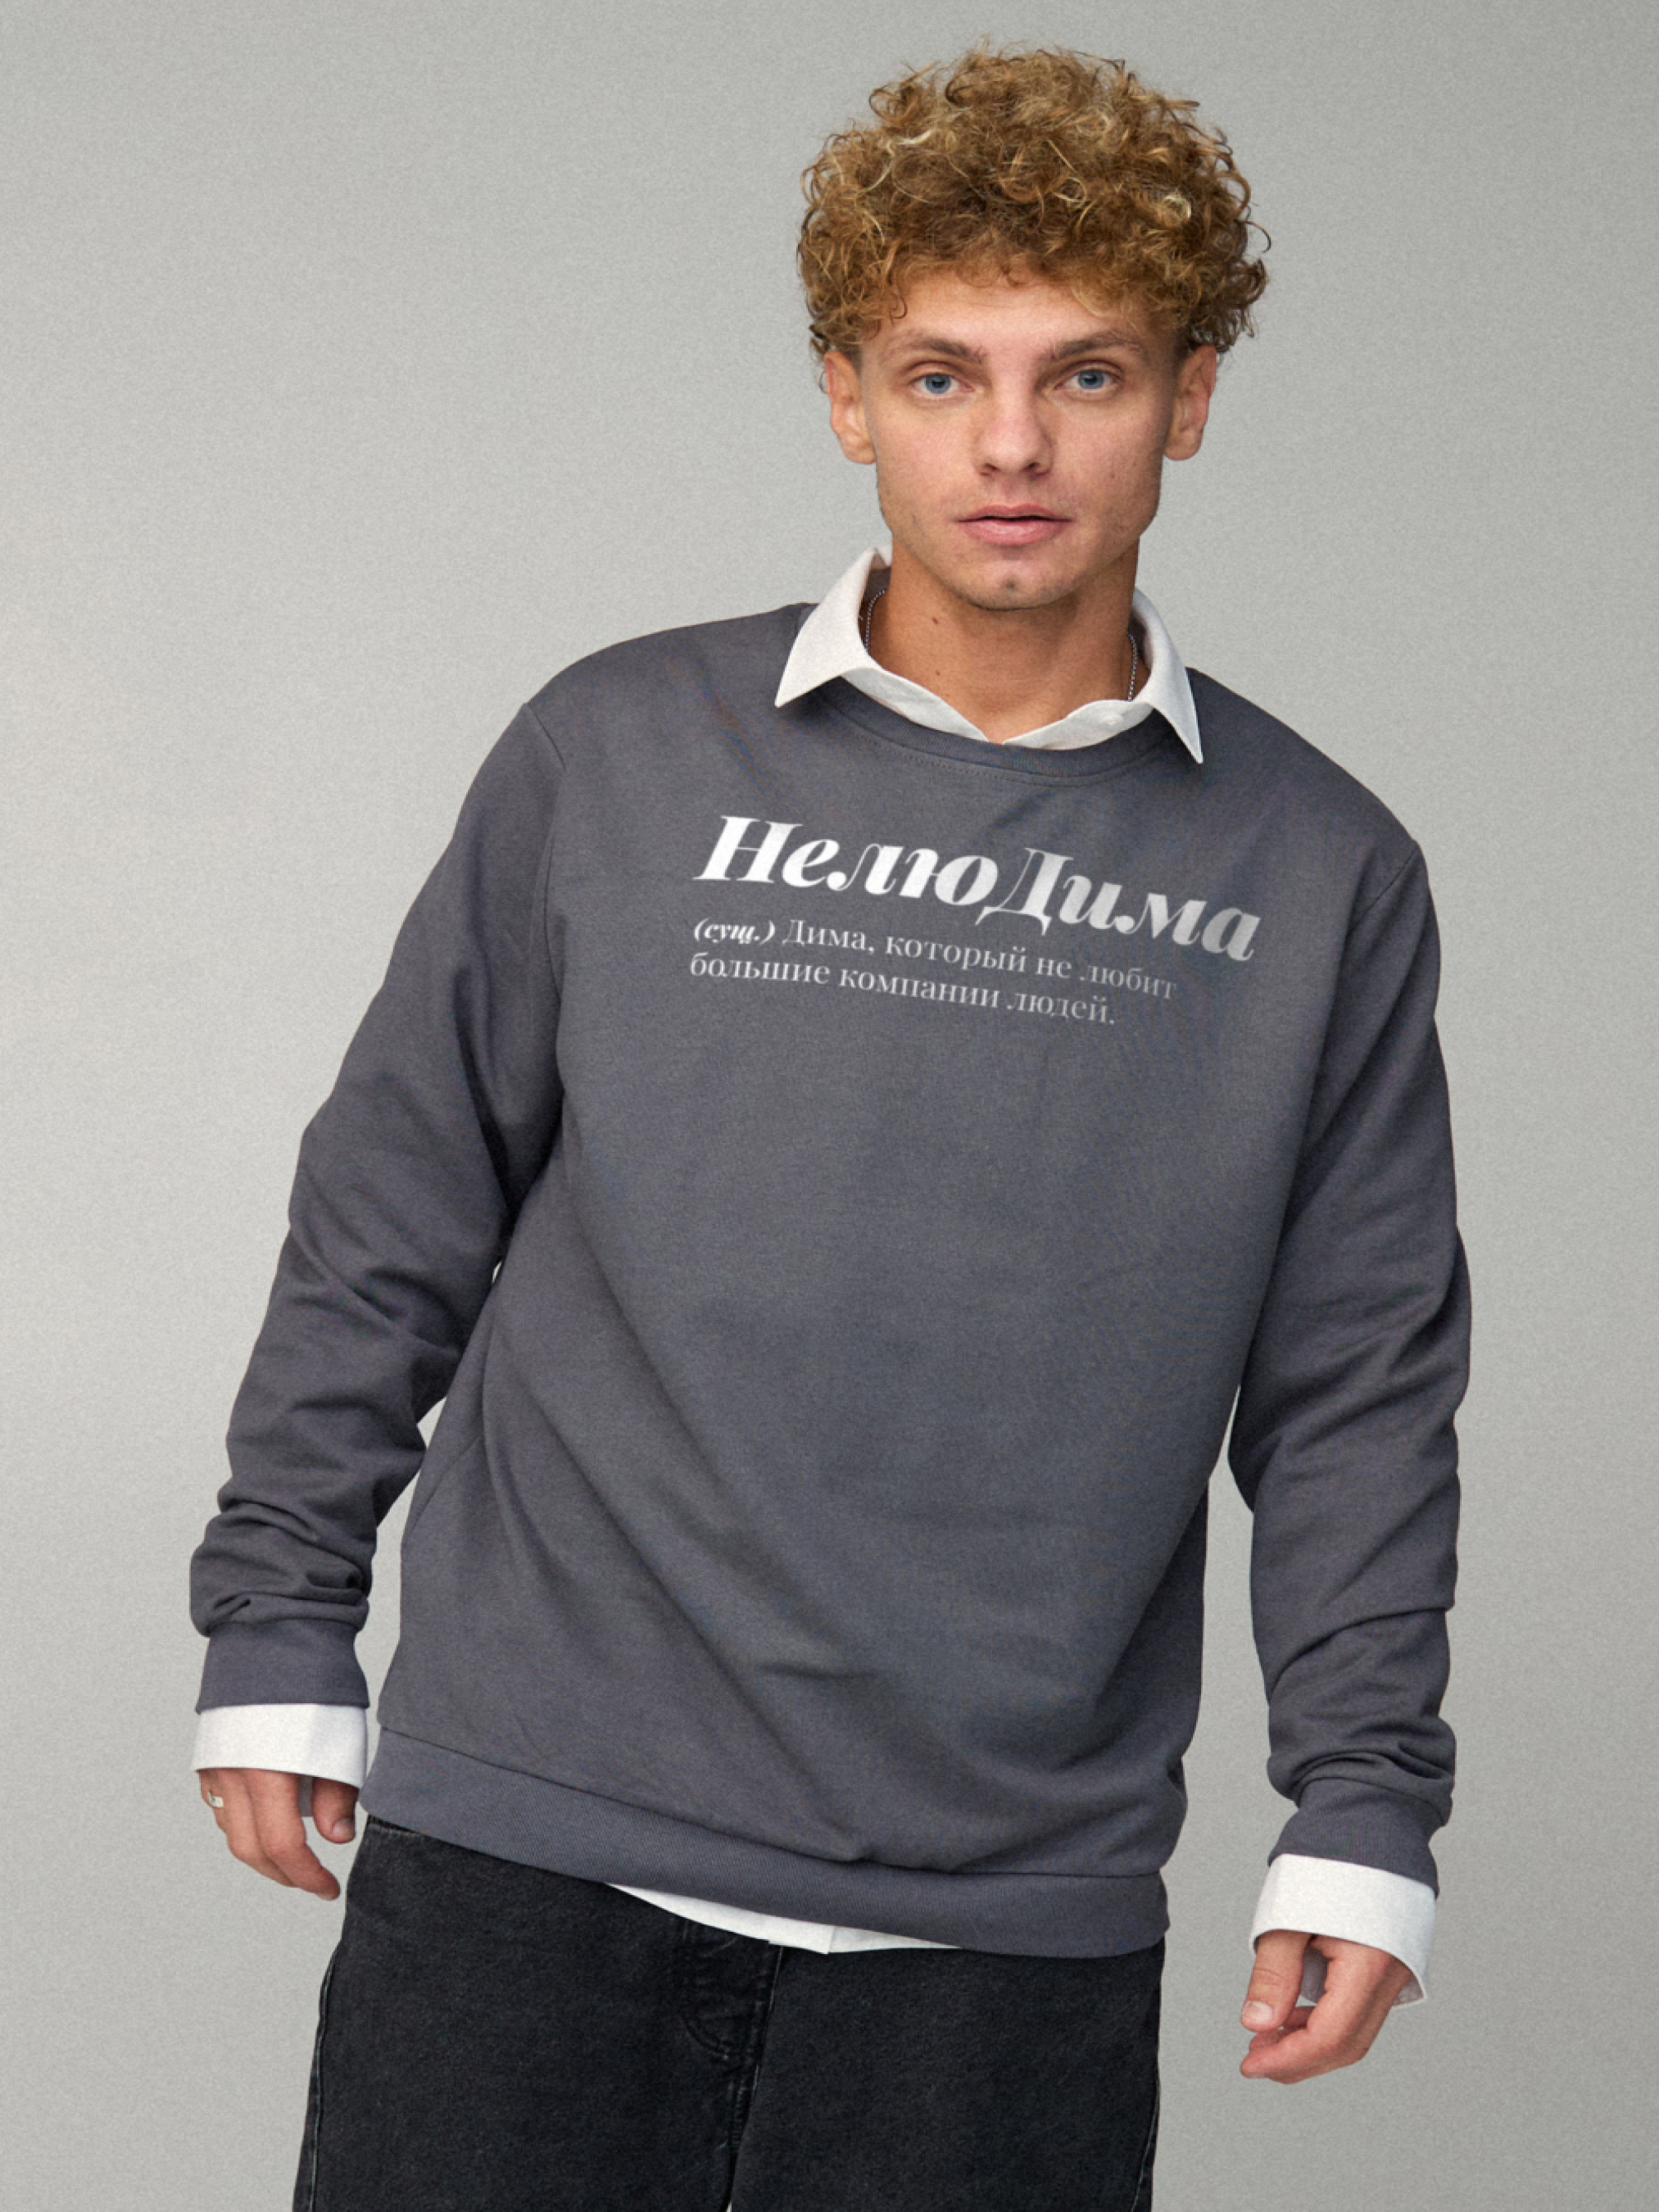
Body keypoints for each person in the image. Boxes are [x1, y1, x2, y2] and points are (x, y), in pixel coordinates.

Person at [191, 45, 1467, 2212]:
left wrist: (1362, 1803)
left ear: (1188, 400)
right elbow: (395, 1199)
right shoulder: (615, 753)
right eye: (940, 372)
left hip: (1003, 1934)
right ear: (844, 393)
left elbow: (1357, 1381)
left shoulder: (1318, 869)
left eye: (1084, 375)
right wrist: (278, 1615)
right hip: (527, 1861)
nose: (1009, 445)